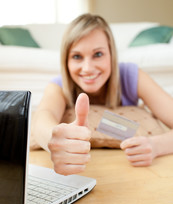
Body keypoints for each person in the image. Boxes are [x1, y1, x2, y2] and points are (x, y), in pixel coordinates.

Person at [32, 13, 173, 175]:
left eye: (98, 54)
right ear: (66, 62)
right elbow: (42, 117)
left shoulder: (131, 75)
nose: (88, 68)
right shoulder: (59, 86)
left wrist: (156, 146)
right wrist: (54, 141)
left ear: (111, 55)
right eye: (77, 56)